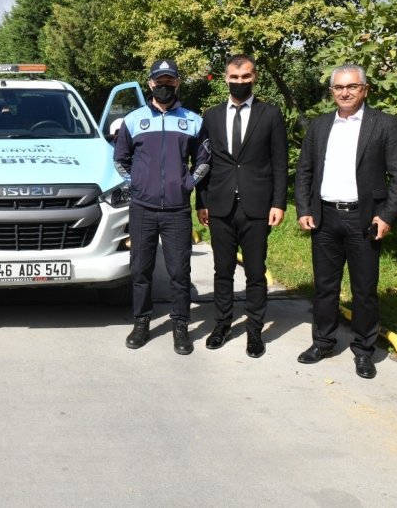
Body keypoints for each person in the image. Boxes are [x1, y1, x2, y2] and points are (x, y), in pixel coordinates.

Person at [294, 64, 397, 379]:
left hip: (365, 219)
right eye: (339, 87)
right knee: (325, 287)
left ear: (365, 89)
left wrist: (386, 216)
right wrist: (304, 208)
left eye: (352, 86)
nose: (345, 92)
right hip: (324, 218)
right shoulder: (320, 126)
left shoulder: (384, 125)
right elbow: (305, 170)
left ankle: (363, 351)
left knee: (364, 290)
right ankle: (323, 342)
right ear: (331, 91)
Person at [114, 58, 210, 354]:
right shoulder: (133, 120)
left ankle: (180, 325)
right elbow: (120, 160)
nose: (164, 86)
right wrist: (138, 183)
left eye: (169, 81)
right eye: (159, 81)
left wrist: (187, 183)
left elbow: (204, 160)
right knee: (140, 270)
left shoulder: (193, 120)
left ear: (177, 83)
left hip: (177, 210)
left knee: (179, 272)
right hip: (142, 208)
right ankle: (142, 321)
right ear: (150, 83)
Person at [195, 54, 287, 357]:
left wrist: (279, 203)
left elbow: (279, 162)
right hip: (220, 206)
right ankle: (222, 325)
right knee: (222, 271)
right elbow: (203, 163)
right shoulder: (210, 116)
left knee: (255, 272)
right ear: (226, 78)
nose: (240, 82)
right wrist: (201, 201)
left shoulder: (270, 114)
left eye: (245, 76)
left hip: (257, 206)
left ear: (254, 77)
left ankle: (254, 331)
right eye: (234, 77)